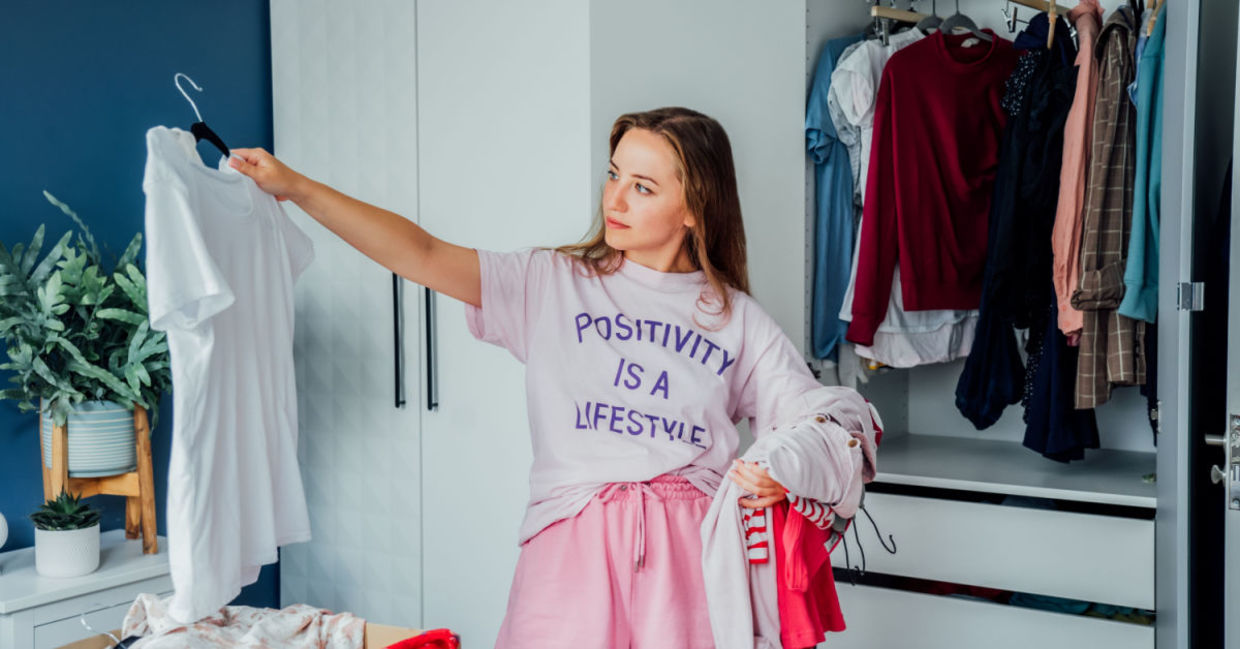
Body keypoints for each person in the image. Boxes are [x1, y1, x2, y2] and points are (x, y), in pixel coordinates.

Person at [229, 106, 845, 648]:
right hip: (570, 546)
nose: (615, 200)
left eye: (642, 186)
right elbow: (422, 254)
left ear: (694, 206)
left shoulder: (737, 320)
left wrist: (782, 470)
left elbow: (817, 417)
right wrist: (297, 189)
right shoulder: (551, 283)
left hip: (688, 559)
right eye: (613, 175)